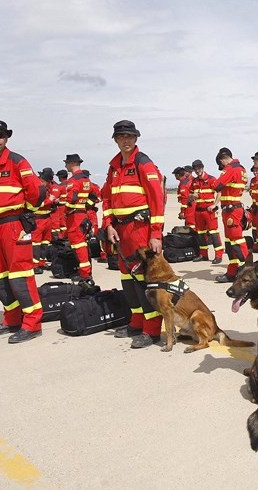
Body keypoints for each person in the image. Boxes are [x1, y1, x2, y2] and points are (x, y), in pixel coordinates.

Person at [0, 119, 46, 344]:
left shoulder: (17, 161)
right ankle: (12, 319)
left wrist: (27, 214)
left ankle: (32, 324)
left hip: (13, 226)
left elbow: (37, 192)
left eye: (2, 135)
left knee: (20, 276)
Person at [101, 120, 166, 348]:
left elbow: (157, 199)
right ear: (116, 140)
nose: (125, 140)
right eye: (121, 137)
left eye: (129, 136)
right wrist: (108, 225)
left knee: (144, 280)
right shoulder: (114, 167)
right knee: (128, 279)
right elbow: (106, 198)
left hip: (140, 230)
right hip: (121, 232)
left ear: (136, 138)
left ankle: (152, 330)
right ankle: (136, 322)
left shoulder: (143, 163)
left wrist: (156, 233)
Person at [212, 147, 249, 283]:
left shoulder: (231, 169)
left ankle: (248, 271)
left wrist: (215, 180)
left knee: (237, 240)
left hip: (232, 210)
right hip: (231, 209)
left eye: (221, 164)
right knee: (230, 242)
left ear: (223, 159)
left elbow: (216, 185)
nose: (222, 167)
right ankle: (232, 272)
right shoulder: (242, 169)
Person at [62, 154, 93, 283]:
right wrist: (85, 206)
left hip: (74, 217)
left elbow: (72, 199)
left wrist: (66, 210)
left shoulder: (73, 180)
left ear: (72, 164)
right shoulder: (86, 179)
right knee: (83, 244)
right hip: (83, 214)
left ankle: (85, 274)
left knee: (78, 245)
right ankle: (86, 272)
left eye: (66, 163)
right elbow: (94, 197)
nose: (65, 166)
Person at [189, 160, 224, 263]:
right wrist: (192, 196)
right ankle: (203, 255)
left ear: (202, 167)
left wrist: (215, 205)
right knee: (201, 234)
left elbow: (219, 192)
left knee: (213, 233)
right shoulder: (194, 181)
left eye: (199, 168)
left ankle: (219, 255)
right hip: (198, 211)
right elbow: (190, 195)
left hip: (209, 211)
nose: (197, 170)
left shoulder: (211, 179)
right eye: (195, 169)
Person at [29, 167, 60, 273]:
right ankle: (34, 264)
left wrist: (54, 201)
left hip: (47, 218)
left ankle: (41, 262)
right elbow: (36, 204)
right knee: (35, 243)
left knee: (45, 241)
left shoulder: (48, 188)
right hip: (38, 219)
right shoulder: (36, 188)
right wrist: (49, 201)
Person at [174, 164, 196, 229]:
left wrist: (182, 212)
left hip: (190, 206)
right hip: (192, 205)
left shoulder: (184, 183)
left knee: (190, 225)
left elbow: (184, 199)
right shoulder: (189, 181)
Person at [52, 169, 69, 239]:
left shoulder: (59, 186)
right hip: (71, 207)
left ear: (61, 177)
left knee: (62, 223)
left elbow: (55, 198)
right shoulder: (71, 183)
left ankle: (63, 237)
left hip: (62, 208)